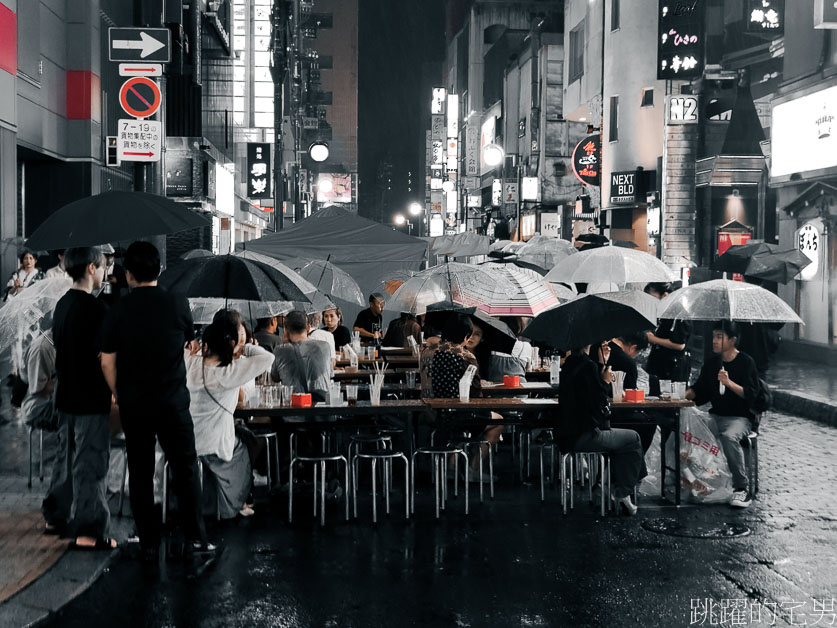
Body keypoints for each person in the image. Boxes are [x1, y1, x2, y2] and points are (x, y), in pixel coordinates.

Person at [100, 241, 214, 567]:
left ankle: (149, 541)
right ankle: (194, 539)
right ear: (159, 269)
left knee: (140, 471)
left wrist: (118, 392)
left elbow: (107, 362)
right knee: (185, 468)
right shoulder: (177, 302)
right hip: (173, 402)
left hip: (135, 404)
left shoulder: (117, 309)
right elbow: (189, 343)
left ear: (128, 274)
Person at [44, 246, 115, 549]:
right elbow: (104, 358)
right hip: (90, 398)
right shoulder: (96, 309)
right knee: (89, 463)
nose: (105, 272)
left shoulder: (61, 306)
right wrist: (116, 391)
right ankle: (88, 531)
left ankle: (55, 516)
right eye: (102, 267)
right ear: (90, 268)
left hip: (66, 396)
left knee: (65, 459)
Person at [186, 311, 274, 519]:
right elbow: (268, 358)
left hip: (186, 443)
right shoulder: (231, 371)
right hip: (215, 444)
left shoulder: (190, 364)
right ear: (231, 344)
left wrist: (193, 343)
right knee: (244, 446)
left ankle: (206, 501)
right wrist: (245, 346)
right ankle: (232, 502)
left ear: (205, 344)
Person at [557, 344, 643, 515]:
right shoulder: (588, 366)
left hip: (566, 434)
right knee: (633, 439)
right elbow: (597, 406)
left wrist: (599, 365)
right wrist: (604, 381)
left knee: (626, 442)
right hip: (583, 435)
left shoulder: (569, 364)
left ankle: (608, 488)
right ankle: (620, 492)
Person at [686, 321, 760, 508]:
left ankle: (741, 488)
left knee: (728, 437)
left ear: (732, 340)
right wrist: (684, 394)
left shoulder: (746, 362)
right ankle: (692, 480)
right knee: (688, 428)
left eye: (720, 337)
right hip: (715, 415)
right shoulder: (713, 363)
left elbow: (752, 395)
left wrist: (729, 383)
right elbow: (701, 390)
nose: (715, 341)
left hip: (740, 418)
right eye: (714, 336)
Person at [271, 310, 333, 402]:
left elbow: (275, 377)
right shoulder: (325, 346)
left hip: (294, 411)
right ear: (308, 327)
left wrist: (284, 344)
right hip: (322, 410)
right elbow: (329, 374)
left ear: (286, 330)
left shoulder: (280, 350)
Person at [644, 282, 692, 396]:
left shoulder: (678, 314)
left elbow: (679, 344)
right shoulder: (663, 312)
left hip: (673, 367)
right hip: (659, 364)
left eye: (652, 297)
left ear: (665, 295)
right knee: (656, 398)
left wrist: (653, 339)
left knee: (670, 401)